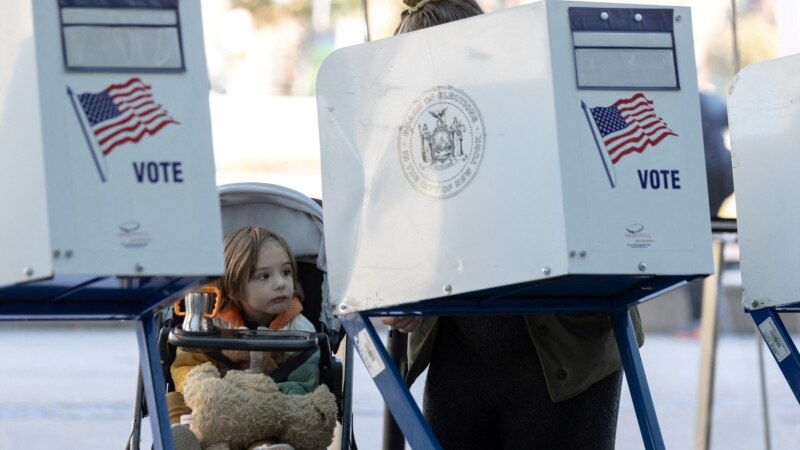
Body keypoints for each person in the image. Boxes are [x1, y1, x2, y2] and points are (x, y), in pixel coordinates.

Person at [382, 1, 644, 448]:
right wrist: (403, 291)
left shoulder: (545, 111)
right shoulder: (413, 134)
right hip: (462, 355)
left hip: (566, 355)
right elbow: (403, 236)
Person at [168, 225, 322, 450]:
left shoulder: (299, 328)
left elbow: (305, 381)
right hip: (213, 407)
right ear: (235, 287)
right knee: (172, 400)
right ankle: (188, 441)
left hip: (265, 411)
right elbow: (186, 365)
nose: (280, 283)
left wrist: (268, 400)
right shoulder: (211, 321)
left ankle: (265, 447)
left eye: (286, 272)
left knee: (297, 414)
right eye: (264, 276)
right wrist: (203, 388)